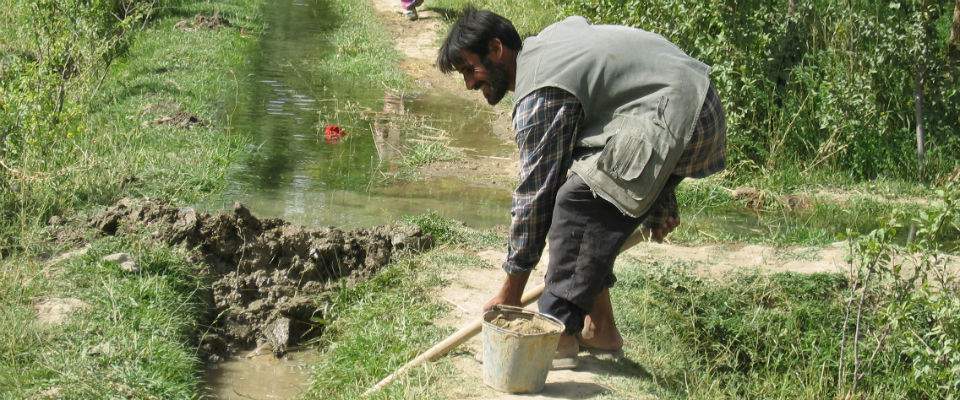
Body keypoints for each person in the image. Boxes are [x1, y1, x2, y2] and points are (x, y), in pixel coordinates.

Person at [437, 7, 726, 368]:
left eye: (469, 70)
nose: (469, 84)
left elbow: (535, 198)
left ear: (496, 49)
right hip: (682, 105)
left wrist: (511, 293)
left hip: (685, 115)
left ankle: (557, 334)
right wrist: (660, 198)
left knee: (577, 203)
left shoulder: (541, 92)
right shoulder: (546, 48)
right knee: (589, 189)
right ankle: (600, 328)